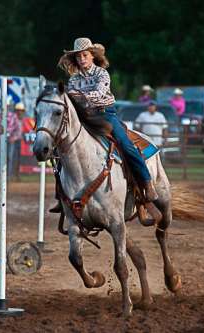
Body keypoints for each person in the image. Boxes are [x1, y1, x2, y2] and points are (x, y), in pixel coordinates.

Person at [52, 37, 158, 215]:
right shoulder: (74, 79)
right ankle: (60, 195)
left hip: (105, 114)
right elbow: (70, 98)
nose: (82, 59)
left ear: (92, 55)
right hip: (83, 117)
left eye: (85, 55)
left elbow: (99, 93)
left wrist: (79, 96)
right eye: (78, 57)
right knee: (61, 151)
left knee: (125, 144)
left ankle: (146, 182)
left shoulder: (102, 74)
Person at [0, 102, 23, 179]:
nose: (5, 107)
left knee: (9, 157)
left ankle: (8, 175)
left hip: (10, 139)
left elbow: (18, 130)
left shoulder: (13, 116)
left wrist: (14, 138)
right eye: (3, 106)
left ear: (8, 106)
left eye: (6, 106)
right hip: (1, 140)